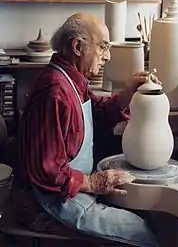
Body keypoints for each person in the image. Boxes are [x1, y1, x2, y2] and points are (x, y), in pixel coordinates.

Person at [12, 13, 160, 247]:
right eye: (103, 47)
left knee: (149, 217)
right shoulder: (54, 92)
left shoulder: (71, 80)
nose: (107, 56)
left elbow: (96, 113)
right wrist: (93, 183)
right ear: (78, 46)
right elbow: (46, 170)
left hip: (63, 189)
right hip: (42, 202)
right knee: (141, 233)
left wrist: (126, 94)